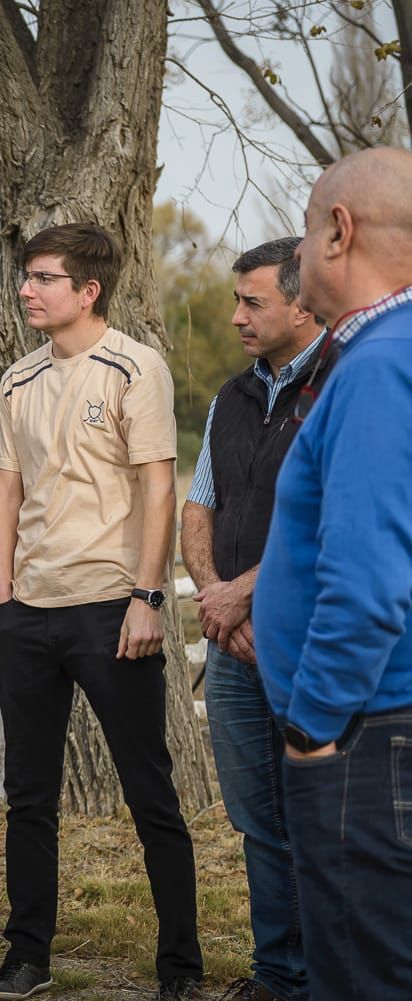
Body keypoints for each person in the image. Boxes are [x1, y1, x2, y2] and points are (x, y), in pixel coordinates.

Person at [0, 224, 203, 1001]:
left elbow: (157, 486)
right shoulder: (16, 379)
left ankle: (180, 965)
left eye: (42, 278)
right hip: (30, 616)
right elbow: (5, 488)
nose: (25, 289)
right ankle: (27, 956)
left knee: (151, 789)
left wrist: (149, 597)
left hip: (114, 610)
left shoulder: (136, 368)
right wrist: (2, 597)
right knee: (29, 794)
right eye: (25, 276)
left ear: (88, 290)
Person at [254, 146, 412, 999]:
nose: (300, 255)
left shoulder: (384, 364)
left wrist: (310, 725)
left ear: (339, 232)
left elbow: (368, 582)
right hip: (378, 725)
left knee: (361, 973)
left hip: (364, 733)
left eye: (309, 234)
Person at [179, 238, 322, 1001]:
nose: (236, 315)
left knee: (323, 816)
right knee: (256, 819)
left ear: (302, 305)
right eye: (236, 300)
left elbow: (339, 522)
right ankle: (278, 975)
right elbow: (200, 503)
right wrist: (217, 598)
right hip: (231, 646)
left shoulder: (342, 384)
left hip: (307, 643)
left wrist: (248, 594)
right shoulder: (230, 398)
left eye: (252, 301)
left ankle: (334, 971)